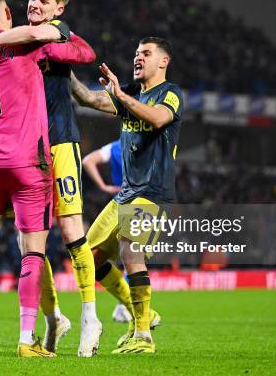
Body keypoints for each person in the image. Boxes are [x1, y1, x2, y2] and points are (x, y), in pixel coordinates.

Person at [0, 0, 102, 357]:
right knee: (29, 244)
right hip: (30, 153)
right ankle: (49, 321)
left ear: (58, 9)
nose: (34, 2)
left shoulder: (37, 38)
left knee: (69, 230)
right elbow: (78, 57)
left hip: (57, 141)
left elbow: (83, 55)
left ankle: (90, 316)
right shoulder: (25, 42)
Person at [70, 37, 184, 354]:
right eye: (136, 53)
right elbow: (89, 99)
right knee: (89, 256)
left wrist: (120, 95)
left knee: (130, 249)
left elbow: (159, 118)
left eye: (146, 54)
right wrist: (63, 69)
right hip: (126, 192)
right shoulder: (131, 94)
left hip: (153, 191)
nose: (138, 58)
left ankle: (144, 336)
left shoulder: (170, 93)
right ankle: (142, 314)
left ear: (163, 61)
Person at [83, 139, 133, 324]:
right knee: (133, 259)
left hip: (116, 205)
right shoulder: (145, 143)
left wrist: (103, 186)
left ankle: (125, 306)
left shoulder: (115, 147)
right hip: (138, 203)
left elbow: (88, 160)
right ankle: (127, 308)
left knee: (114, 258)